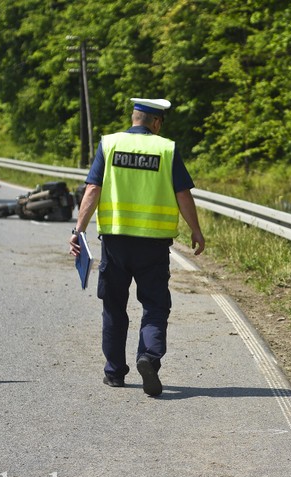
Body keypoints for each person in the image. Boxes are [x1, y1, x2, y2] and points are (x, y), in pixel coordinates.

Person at [69, 97, 205, 396]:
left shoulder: (110, 145)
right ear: (156, 122)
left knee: (114, 307)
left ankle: (115, 372)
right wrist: (195, 229)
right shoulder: (166, 149)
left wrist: (78, 230)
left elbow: (93, 189)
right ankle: (149, 357)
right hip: (153, 246)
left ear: (134, 118)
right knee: (155, 306)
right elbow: (182, 194)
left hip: (116, 243)